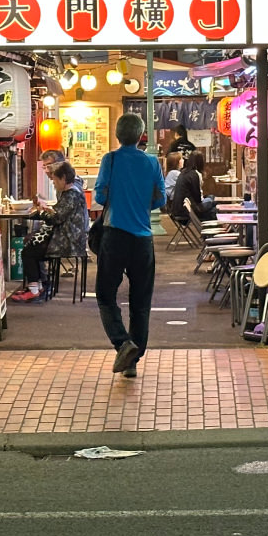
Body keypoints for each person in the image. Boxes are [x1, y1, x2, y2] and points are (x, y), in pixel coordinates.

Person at [93, 113, 166, 378]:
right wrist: (140, 204)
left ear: (117, 135)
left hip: (115, 236)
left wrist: (119, 199)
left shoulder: (110, 160)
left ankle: (123, 344)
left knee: (105, 294)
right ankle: (133, 361)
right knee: (140, 300)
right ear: (140, 136)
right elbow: (160, 199)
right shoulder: (151, 162)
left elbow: (100, 194)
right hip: (143, 238)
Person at [12, 162, 88, 303]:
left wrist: (40, 213)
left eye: (54, 180)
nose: (53, 183)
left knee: (29, 251)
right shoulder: (70, 193)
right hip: (66, 236)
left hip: (67, 241)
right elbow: (58, 214)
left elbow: (57, 218)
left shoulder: (71, 194)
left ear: (63, 178)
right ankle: (37, 286)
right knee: (31, 245)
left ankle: (34, 289)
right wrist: (45, 211)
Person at [168, 151, 216, 223]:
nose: (183, 160)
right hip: (188, 210)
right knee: (214, 202)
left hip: (178, 209)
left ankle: (209, 230)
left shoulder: (184, 172)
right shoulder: (195, 174)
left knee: (212, 203)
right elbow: (198, 198)